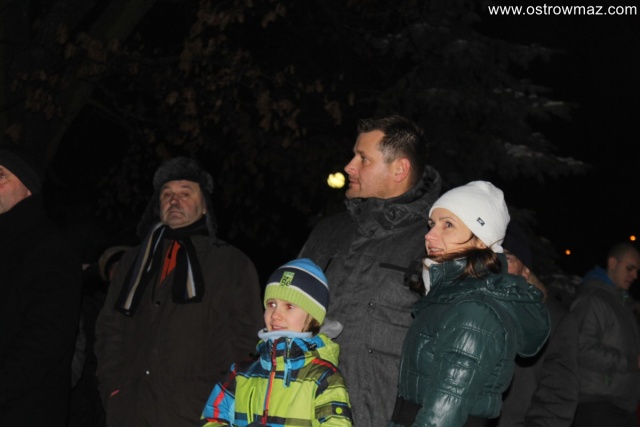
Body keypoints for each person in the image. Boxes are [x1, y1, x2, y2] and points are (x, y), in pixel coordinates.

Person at [95, 156, 263, 427]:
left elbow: (248, 344)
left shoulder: (231, 264)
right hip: (132, 413)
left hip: (199, 415)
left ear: (204, 206)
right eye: (167, 194)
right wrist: (114, 391)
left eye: (185, 194)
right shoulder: (133, 262)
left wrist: (224, 405)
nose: (174, 201)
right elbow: (110, 330)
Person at [298, 115, 442, 426]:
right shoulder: (328, 233)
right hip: (304, 414)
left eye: (363, 159)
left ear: (399, 169)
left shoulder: (434, 243)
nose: (349, 166)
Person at [388, 181, 550, 427]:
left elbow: (441, 417)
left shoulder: (473, 310)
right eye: (432, 224)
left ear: (481, 240)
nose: (429, 235)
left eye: (448, 225)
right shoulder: (452, 298)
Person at [199, 258, 353, 427]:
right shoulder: (241, 373)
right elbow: (211, 419)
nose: (275, 315)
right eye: (271, 304)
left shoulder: (323, 377)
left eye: (289, 306)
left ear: (313, 317)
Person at [0, 144, 83, 426]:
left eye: (1, 175)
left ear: (28, 187)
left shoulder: (49, 249)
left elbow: (46, 338)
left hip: (22, 413)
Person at [491, 223, 579, 427]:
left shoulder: (553, 320)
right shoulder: (469, 307)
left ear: (525, 271)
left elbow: (557, 399)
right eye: (493, 258)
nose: (498, 267)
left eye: (507, 259)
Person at [570, 242, 640, 427]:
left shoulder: (620, 302)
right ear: (612, 263)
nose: (635, 276)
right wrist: (631, 362)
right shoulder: (593, 298)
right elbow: (580, 348)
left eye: (637, 271)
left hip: (619, 406)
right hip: (597, 404)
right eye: (630, 268)